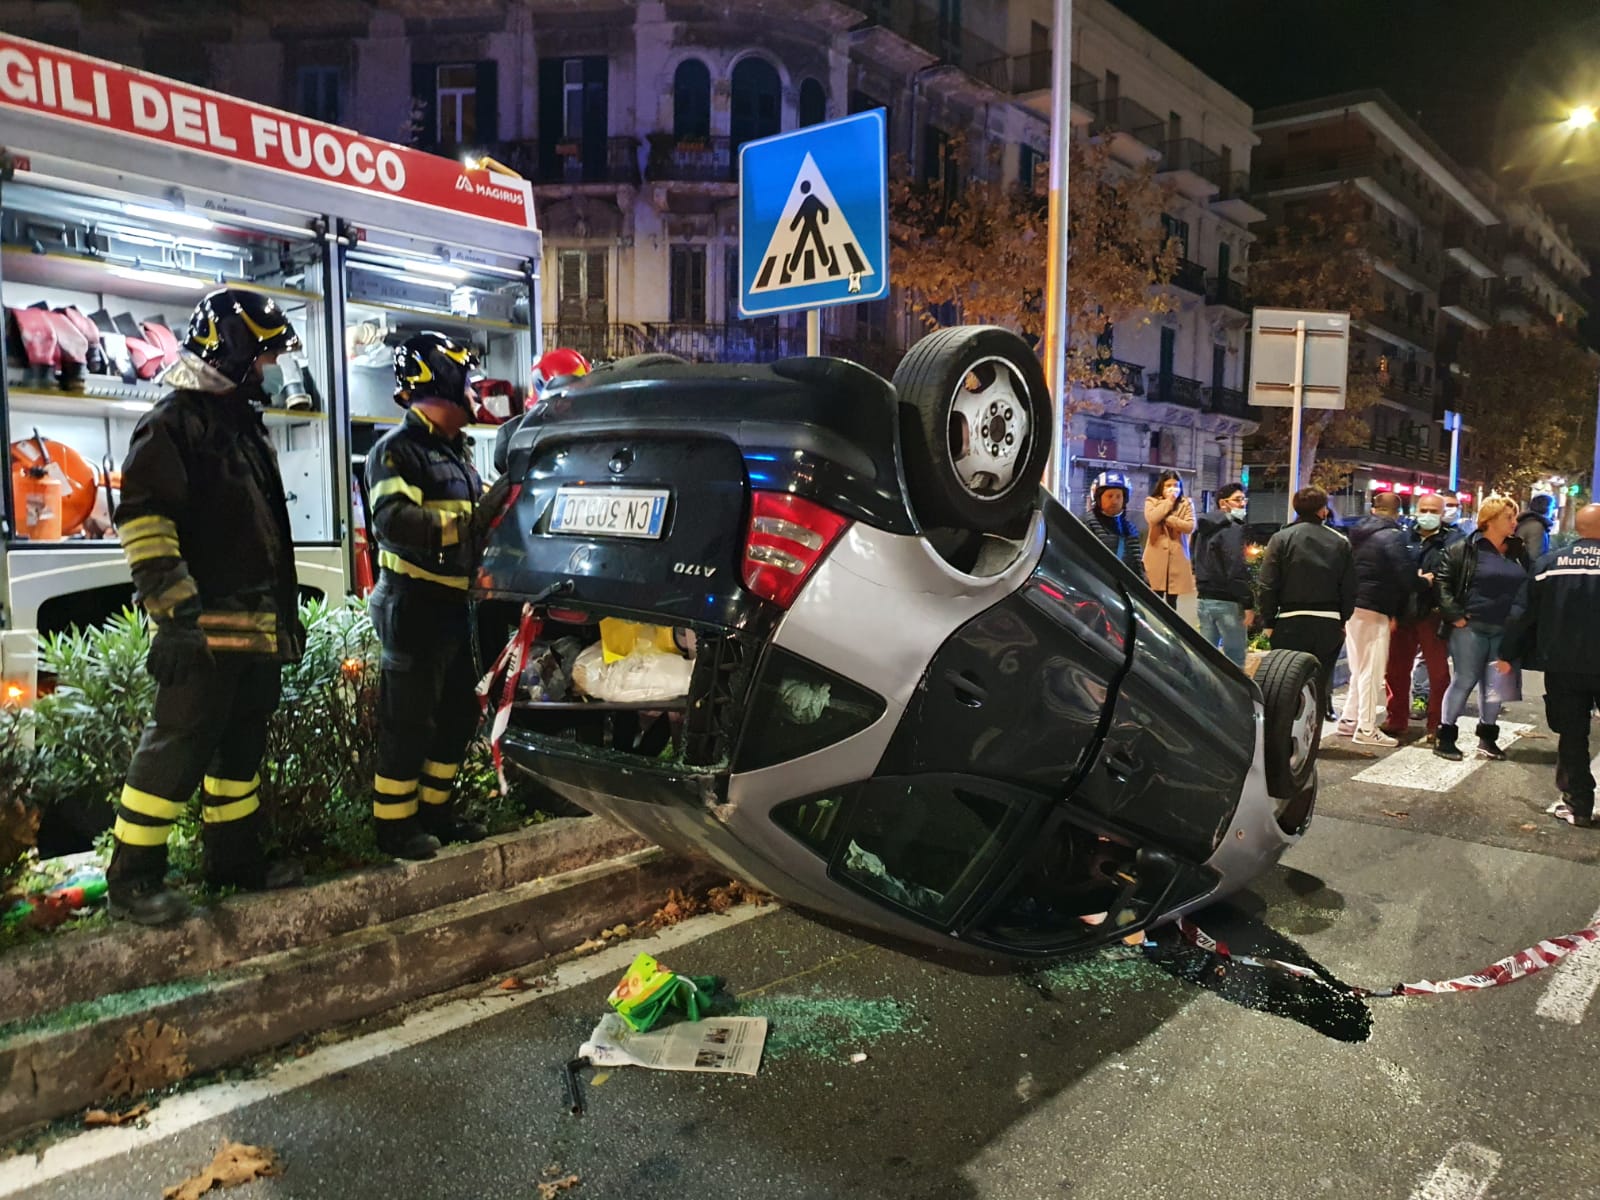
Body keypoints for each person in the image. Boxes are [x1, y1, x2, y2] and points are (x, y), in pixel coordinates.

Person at [106, 289, 307, 925]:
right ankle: (133, 878)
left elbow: (264, 535)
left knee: (238, 755)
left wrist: (285, 620)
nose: (271, 369)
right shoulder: (173, 423)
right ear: (234, 351)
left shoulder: (239, 424)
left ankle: (234, 860)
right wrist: (173, 616)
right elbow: (146, 524)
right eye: (264, 356)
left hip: (253, 629)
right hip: (202, 631)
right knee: (177, 747)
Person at [366, 332, 494, 861]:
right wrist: (471, 524)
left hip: (456, 607)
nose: (475, 391)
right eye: (467, 379)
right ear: (442, 379)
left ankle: (436, 813)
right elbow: (393, 522)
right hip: (413, 603)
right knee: (409, 721)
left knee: (456, 715)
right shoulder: (396, 452)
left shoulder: (457, 455)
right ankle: (395, 826)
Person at [1500, 503, 1600, 827]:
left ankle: (1578, 806)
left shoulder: (1550, 564)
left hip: (1562, 664)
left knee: (1572, 735)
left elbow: (1522, 614)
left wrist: (1507, 652)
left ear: (1577, 529)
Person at [1433, 495, 1532, 761]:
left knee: (1496, 686)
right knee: (1464, 679)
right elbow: (1443, 583)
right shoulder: (1464, 549)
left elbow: (1528, 585)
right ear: (1489, 520)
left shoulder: (1517, 551)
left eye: (1514, 517)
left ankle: (1487, 739)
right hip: (1471, 626)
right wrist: (1455, 615)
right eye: (1508, 517)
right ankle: (1445, 737)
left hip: (1505, 629)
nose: (1514, 522)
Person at [1257, 486, 1357, 718]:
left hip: (1289, 620)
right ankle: (1319, 716)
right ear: (1323, 510)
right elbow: (1349, 586)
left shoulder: (1281, 539)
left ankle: (1285, 724)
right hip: (1328, 620)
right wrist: (1343, 619)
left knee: (1287, 680)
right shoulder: (1340, 541)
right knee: (1321, 677)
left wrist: (1268, 621)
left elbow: (1267, 584)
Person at [1336, 491, 1415, 746]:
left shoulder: (1356, 533)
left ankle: (1349, 720)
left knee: (1359, 667)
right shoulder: (1392, 536)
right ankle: (1367, 728)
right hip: (1376, 606)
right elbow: (1405, 575)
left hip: (1353, 605)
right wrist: (1423, 582)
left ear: (1373, 509)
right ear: (1397, 513)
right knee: (1372, 670)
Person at [1383, 490, 1460, 741]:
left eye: (1433, 511)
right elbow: (1395, 571)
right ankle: (1396, 719)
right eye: (1424, 510)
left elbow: (1449, 575)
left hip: (1433, 613)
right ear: (1416, 510)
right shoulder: (1403, 536)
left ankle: (1436, 724)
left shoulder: (1454, 540)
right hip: (1403, 612)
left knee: (1438, 674)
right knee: (1395, 670)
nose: (1427, 515)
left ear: (1442, 514)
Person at [1193, 482, 1253, 666]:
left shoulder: (1203, 528)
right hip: (1228, 600)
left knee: (1205, 659)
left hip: (1205, 599)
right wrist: (1247, 602)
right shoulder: (1232, 528)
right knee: (1235, 660)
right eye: (1237, 499)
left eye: (1244, 499)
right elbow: (1235, 566)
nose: (1242, 504)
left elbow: (1195, 560)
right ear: (1223, 503)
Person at [1142, 470, 1195, 607]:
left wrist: (1169, 519)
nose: (1172, 489)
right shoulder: (1151, 501)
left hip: (1177, 556)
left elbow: (1190, 526)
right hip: (1155, 556)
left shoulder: (1186, 503)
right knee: (1155, 599)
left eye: (1175, 485)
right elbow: (1152, 518)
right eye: (1168, 485)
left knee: (1172, 600)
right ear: (1162, 486)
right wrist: (1169, 502)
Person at [1085, 471, 1146, 583]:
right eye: (1109, 496)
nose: (1114, 501)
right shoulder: (1086, 524)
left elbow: (1137, 567)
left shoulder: (1129, 529)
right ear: (1098, 498)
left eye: (1118, 496)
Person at [1515, 493, 1555, 560]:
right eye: (1552, 507)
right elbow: (1535, 556)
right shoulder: (1537, 527)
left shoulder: (1527, 522)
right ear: (1546, 508)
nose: (1553, 511)